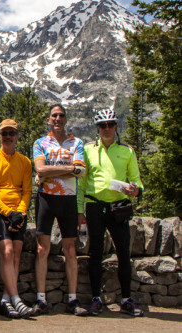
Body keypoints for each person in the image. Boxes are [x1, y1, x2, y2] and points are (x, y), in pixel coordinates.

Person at [77, 110, 144, 317]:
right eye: (102, 125)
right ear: (97, 128)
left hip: (118, 207)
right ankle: (96, 299)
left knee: (123, 253)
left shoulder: (127, 151)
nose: (106, 129)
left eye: (110, 125)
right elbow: (81, 183)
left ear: (116, 127)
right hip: (94, 206)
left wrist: (135, 190)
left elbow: (137, 180)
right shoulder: (87, 150)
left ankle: (126, 299)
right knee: (95, 253)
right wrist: (79, 210)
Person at [32, 104, 88, 316]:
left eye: (61, 115)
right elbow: (40, 169)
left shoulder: (77, 142)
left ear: (66, 119)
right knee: (41, 250)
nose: (57, 118)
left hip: (68, 199)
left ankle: (72, 299)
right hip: (46, 199)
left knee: (71, 250)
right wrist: (69, 170)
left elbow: (80, 171)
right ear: (49, 120)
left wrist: (49, 173)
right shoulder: (40, 142)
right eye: (54, 115)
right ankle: (41, 298)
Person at [0, 119, 32, 319]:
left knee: (17, 253)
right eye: (5, 133)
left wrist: (19, 212)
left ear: (17, 136)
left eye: (12, 133)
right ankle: (17, 298)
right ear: (0, 136)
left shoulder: (25, 162)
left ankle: (6, 299)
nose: (8, 137)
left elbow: (27, 191)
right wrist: (8, 213)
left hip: (17, 212)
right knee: (8, 250)